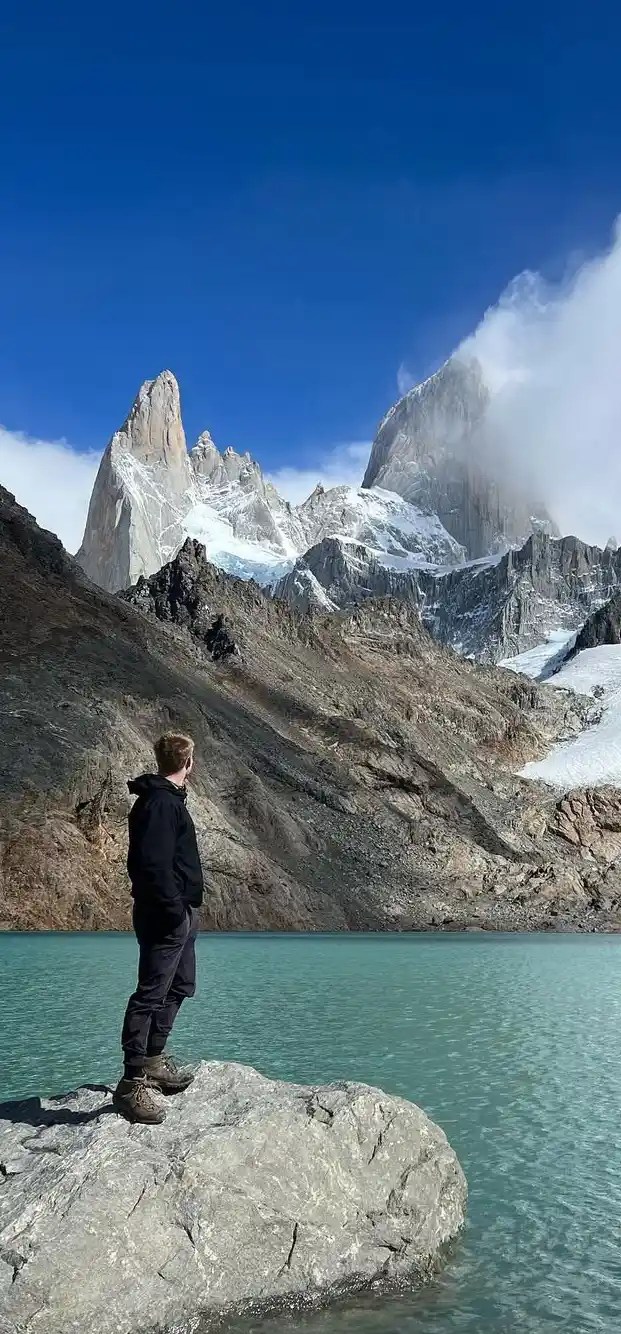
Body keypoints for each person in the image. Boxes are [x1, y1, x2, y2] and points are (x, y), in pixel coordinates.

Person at [113, 732, 204, 1124]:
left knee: (180, 984)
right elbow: (152, 865)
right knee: (150, 993)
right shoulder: (161, 804)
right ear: (188, 763)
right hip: (165, 914)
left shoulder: (165, 801)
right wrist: (173, 911)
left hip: (177, 912)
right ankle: (131, 1083)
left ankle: (152, 1059)